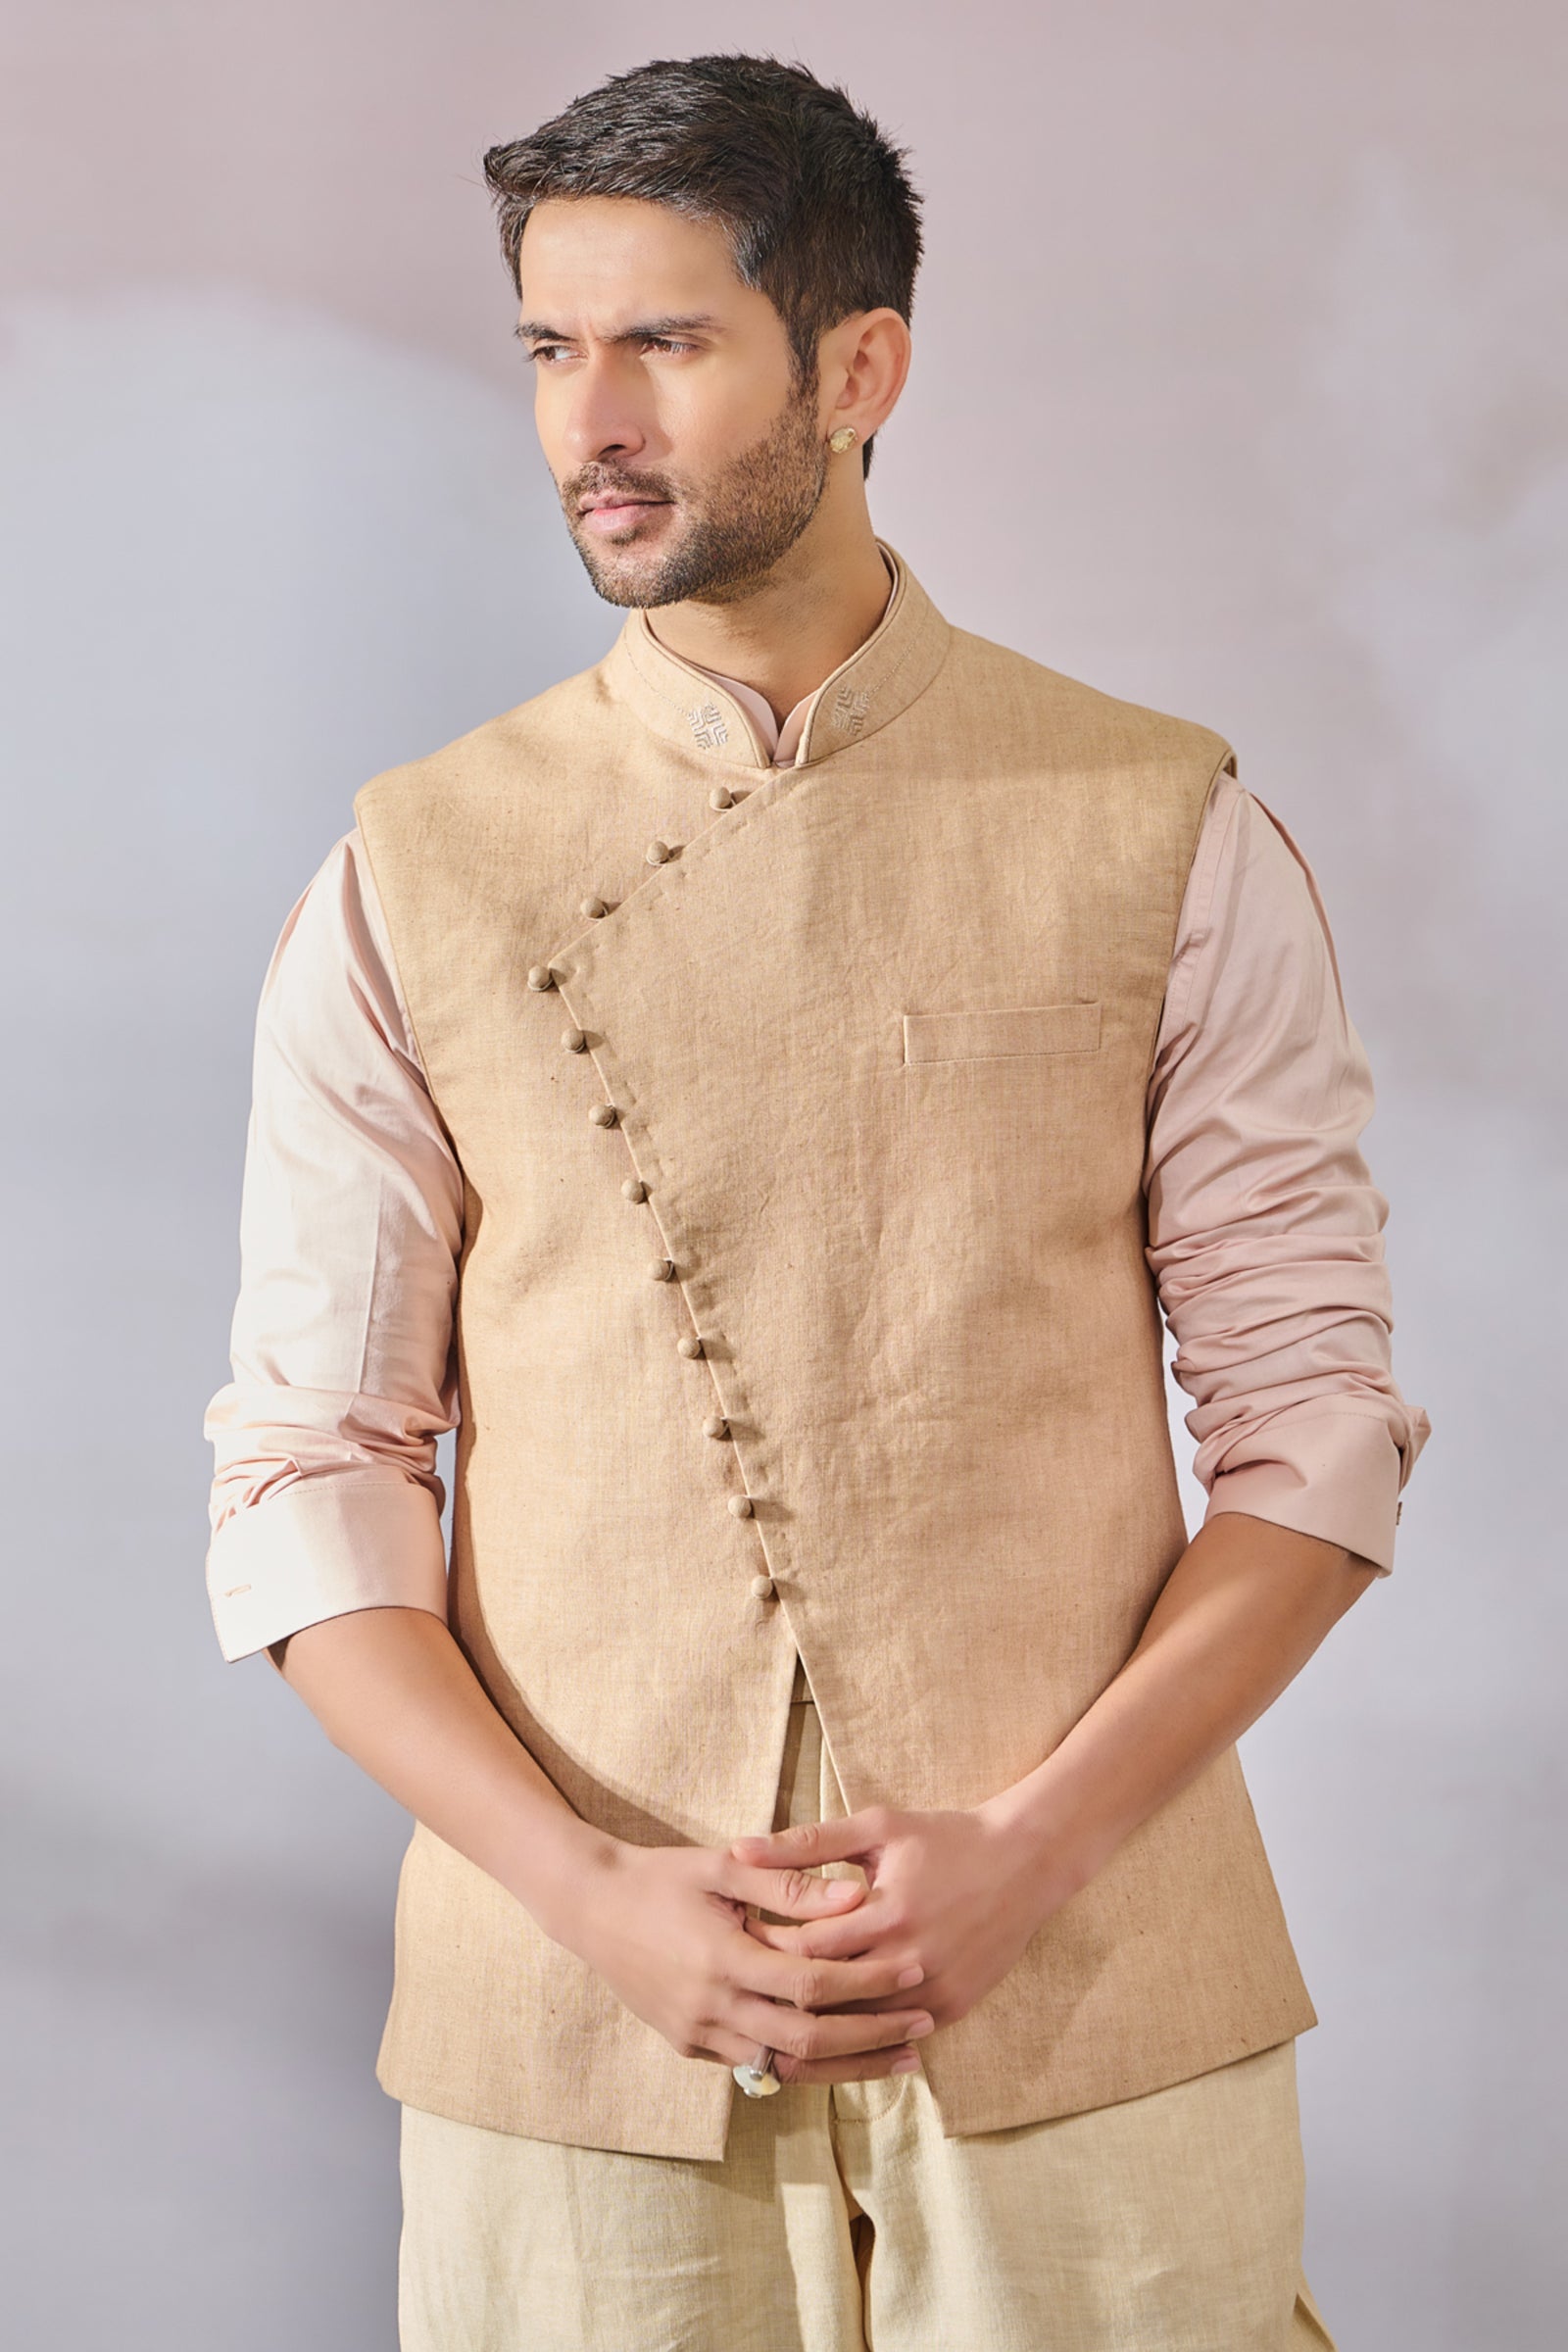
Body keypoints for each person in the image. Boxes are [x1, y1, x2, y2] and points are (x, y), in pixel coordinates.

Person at [203, 50, 1429, 2352]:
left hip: (1093, 2015)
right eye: (552, 349)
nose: (591, 423)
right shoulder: (407, 874)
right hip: (569, 2043)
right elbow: (306, 1479)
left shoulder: (1163, 829)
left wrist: (1032, 1857)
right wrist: (591, 1895)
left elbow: (1314, 1439)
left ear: (857, 371)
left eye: (665, 342)